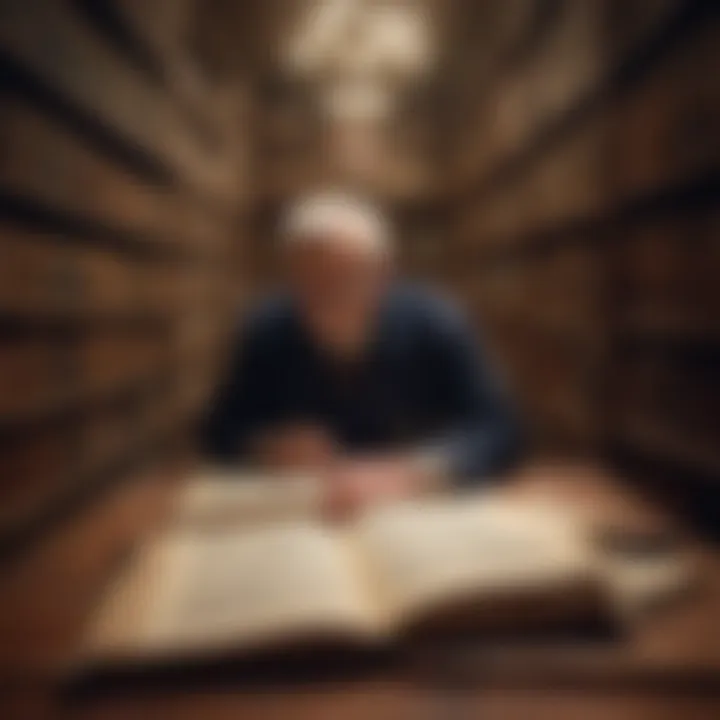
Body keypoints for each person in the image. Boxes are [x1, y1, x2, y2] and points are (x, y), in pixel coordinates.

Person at [201, 191, 523, 517]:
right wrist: (265, 448)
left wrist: (417, 471)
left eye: (347, 277)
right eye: (309, 279)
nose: (328, 294)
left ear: (383, 272)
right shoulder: (266, 329)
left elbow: (498, 428)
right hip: (306, 512)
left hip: (417, 508)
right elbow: (218, 431)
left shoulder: (436, 321)